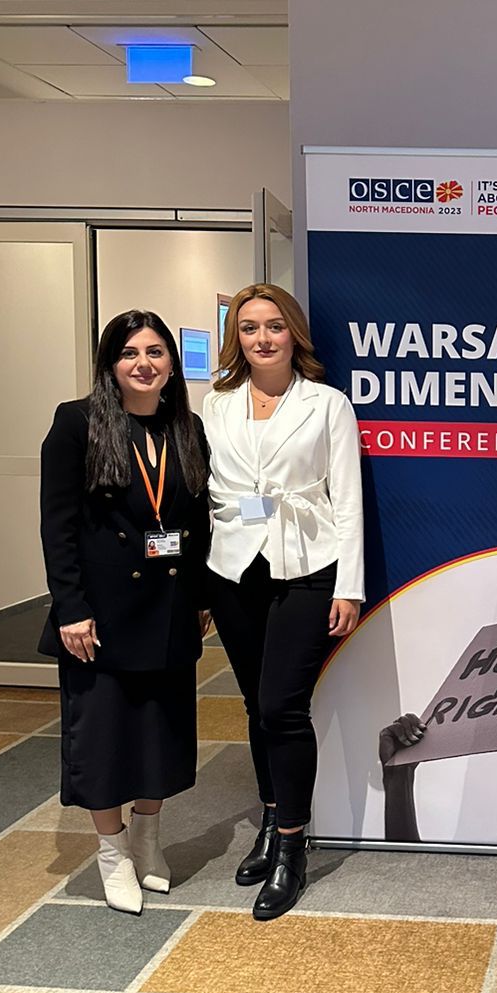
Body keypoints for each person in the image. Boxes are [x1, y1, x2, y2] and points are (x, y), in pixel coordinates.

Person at [39, 311, 211, 914]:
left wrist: (200, 597)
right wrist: (70, 608)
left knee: (161, 733)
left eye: (156, 352)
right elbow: (58, 526)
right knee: (104, 738)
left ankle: (148, 838)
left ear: (172, 364)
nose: (144, 364)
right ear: (110, 364)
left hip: (169, 606)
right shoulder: (77, 422)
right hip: (101, 615)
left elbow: (196, 521)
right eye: (130, 353)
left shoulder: (185, 426)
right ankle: (112, 853)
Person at [203, 283, 364, 920]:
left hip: (308, 566)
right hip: (233, 567)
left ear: (293, 332)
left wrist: (350, 585)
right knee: (253, 704)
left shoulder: (327, 404)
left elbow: (347, 499)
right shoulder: (216, 403)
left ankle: (293, 845)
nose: (262, 338)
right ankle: (271, 820)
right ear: (236, 338)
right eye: (249, 328)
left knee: (282, 706)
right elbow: (207, 488)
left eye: (274, 326)